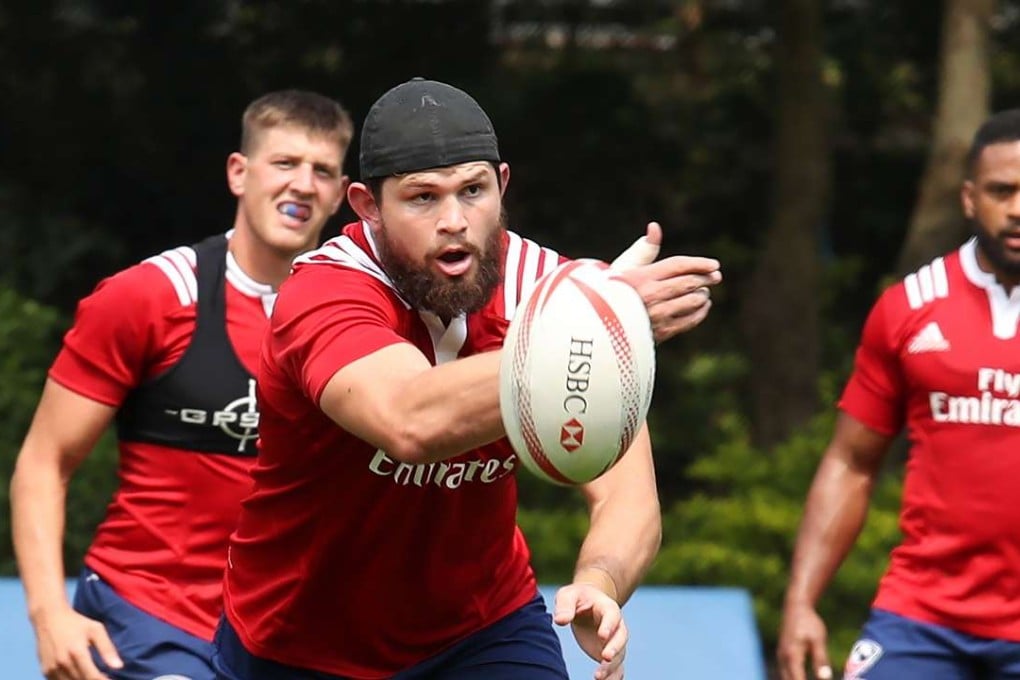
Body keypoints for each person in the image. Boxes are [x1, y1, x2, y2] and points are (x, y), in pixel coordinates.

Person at [210, 77, 722, 680]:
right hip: (298, 643)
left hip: (481, 629)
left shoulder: (551, 291)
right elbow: (409, 419)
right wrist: (590, 327)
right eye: (423, 198)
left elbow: (627, 493)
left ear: (501, 187)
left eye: (473, 191)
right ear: (367, 206)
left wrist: (600, 583)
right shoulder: (323, 291)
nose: (454, 220)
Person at [10, 89, 354, 680]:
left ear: (342, 195)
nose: (303, 184)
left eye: (322, 171)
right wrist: (47, 615)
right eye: (285, 163)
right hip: (148, 617)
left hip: (285, 635)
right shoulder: (149, 296)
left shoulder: (358, 318)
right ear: (239, 173)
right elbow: (44, 463)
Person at [777, 108, 1020, 680]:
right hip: (923, 618)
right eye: (1001, 190)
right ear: (968, 198)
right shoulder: (910, 307)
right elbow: (851, 462)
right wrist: (800, 602)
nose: (1018, 209)